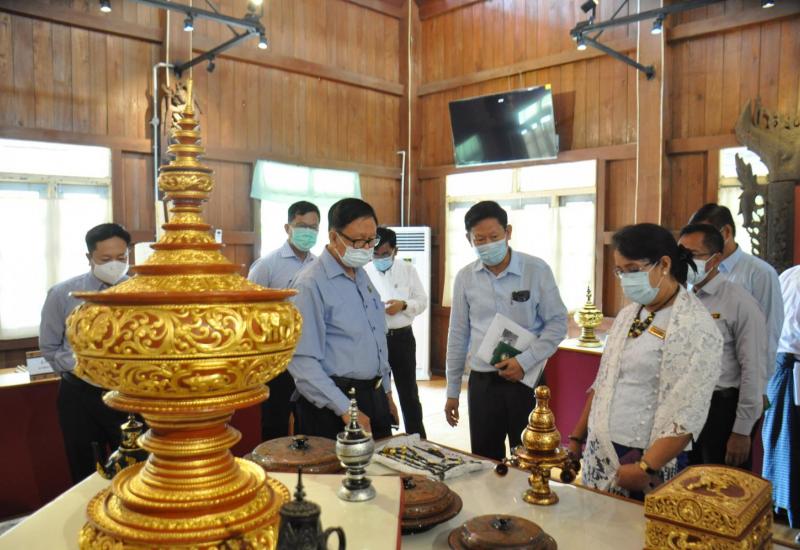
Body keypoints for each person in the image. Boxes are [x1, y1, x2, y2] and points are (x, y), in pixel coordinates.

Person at [567, 223, 722, 499]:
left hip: (648, 459)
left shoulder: (695, 325)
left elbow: (688, 413)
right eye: (620, 271)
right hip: (603, 448)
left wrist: (646, 466)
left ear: (664, 264)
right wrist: (577, 438)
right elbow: (604, 382)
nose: (626, 279)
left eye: (633, 270)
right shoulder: (629, 315)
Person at [444, 200, 568, 461]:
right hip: (483, 383)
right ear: (469, 240)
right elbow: (457, 334)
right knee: (485, 459)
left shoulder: (536, 270)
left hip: (526, 379)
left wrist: (524, 361)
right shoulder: (465, 277)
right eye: (479, 239)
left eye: (494, 237)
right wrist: (452, 391)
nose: (487, 244)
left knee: (530, 458)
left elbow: (558, 323)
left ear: (508, 232)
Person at [287, 198, 398, 440]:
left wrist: (387, 394)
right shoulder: (310, 284)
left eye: (372, 240)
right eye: (358, 240)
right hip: (334, 405)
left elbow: (376, 338)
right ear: (333, 237)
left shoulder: (362, 275)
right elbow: (302, 361)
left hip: (373, 396)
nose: (366, 248)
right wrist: (346, 410)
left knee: (381, 464)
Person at [39, 223, 131, 484]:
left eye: (121, 257)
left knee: (134, 464)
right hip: (80, 393)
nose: (115, 265)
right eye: (106, 259)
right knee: (85, 468)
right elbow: (49, 346)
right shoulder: (62, 294)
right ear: (89, 257)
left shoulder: (138, 291)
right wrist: (85, 365)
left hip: (128, 392)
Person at [678, 224, 767, 469]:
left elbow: (753, 369)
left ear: (715, 259)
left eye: (692, 255)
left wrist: (742, 431)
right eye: (681, 255)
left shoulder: (739, 302)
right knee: (684, 482)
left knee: (720, 484)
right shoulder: (681, 299)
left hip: (721, 409)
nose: (684, 262)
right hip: (686, 407)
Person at [248, 201, 320, 441]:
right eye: (302, 226)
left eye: (313, 227)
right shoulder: (266, 266)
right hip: (277, 357)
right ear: (287, 228)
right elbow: (251, 313)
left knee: (308, 418)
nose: (308, 232)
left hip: (311, 355)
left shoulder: (319, 266)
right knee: (275, 420)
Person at [689, 203, 783, 379]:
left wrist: (759, 385)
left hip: (738, 380)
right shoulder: (695, 271)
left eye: (705, 236)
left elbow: (769, 332)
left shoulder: (759, 273)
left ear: (726, 233)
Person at [365, 226, 428, 437]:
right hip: (375, 340)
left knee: (408, 392)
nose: (379, 258)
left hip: (402, 338)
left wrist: (403, 305)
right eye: (375, 254)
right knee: (380, 392)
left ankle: (417, 438)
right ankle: (384, 438)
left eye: (385, 254)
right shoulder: (364, 271)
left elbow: (422, 301)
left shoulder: (407, 270)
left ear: (395, 251)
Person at [762, 264, 800, 528]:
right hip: (788, 367)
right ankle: (788, 513)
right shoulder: (792, 277)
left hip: (781, 365)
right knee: (787, 443)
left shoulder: (789, 274)